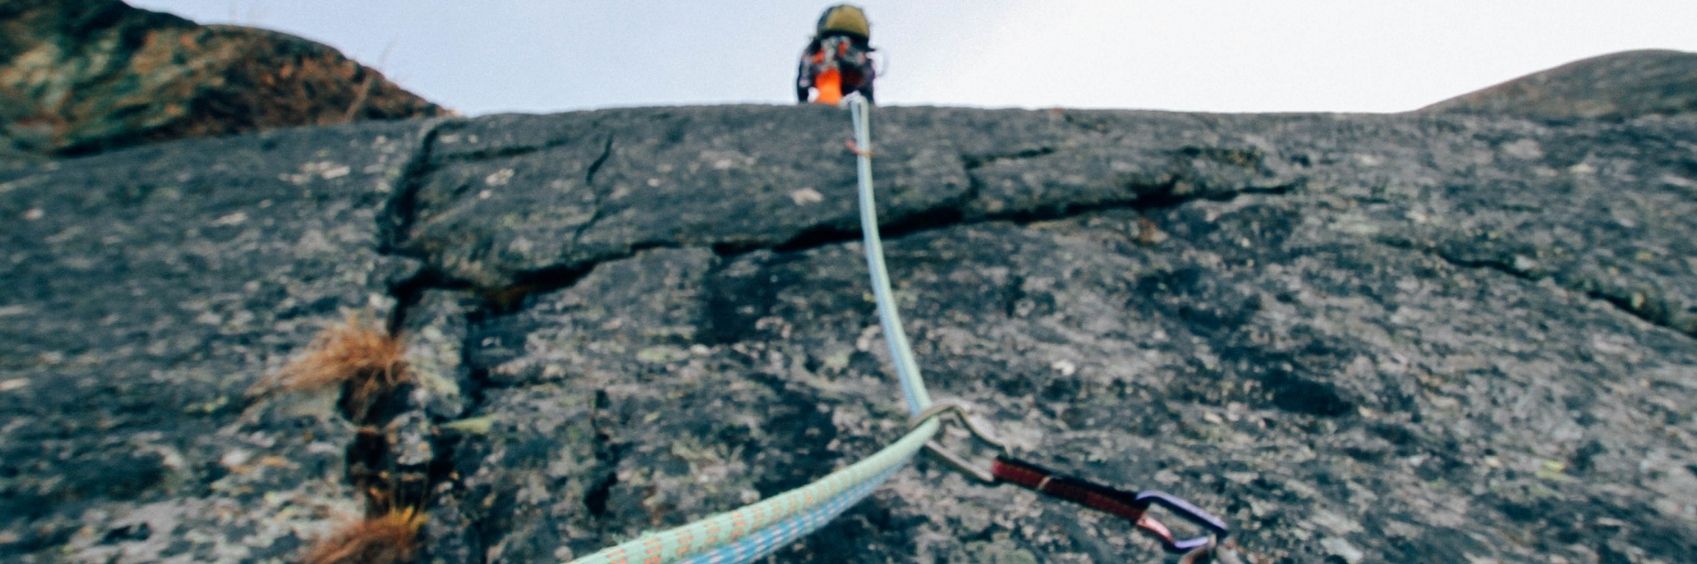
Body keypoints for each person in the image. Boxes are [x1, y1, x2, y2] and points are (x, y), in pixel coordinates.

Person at [796, 4, 876, 105]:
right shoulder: (859, 51)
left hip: (830, 73)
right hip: (854, 71)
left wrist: (802, 103)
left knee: (829, 87)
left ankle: (828, 106)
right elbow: (867, 83)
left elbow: (803, 78)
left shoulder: (821, 47)